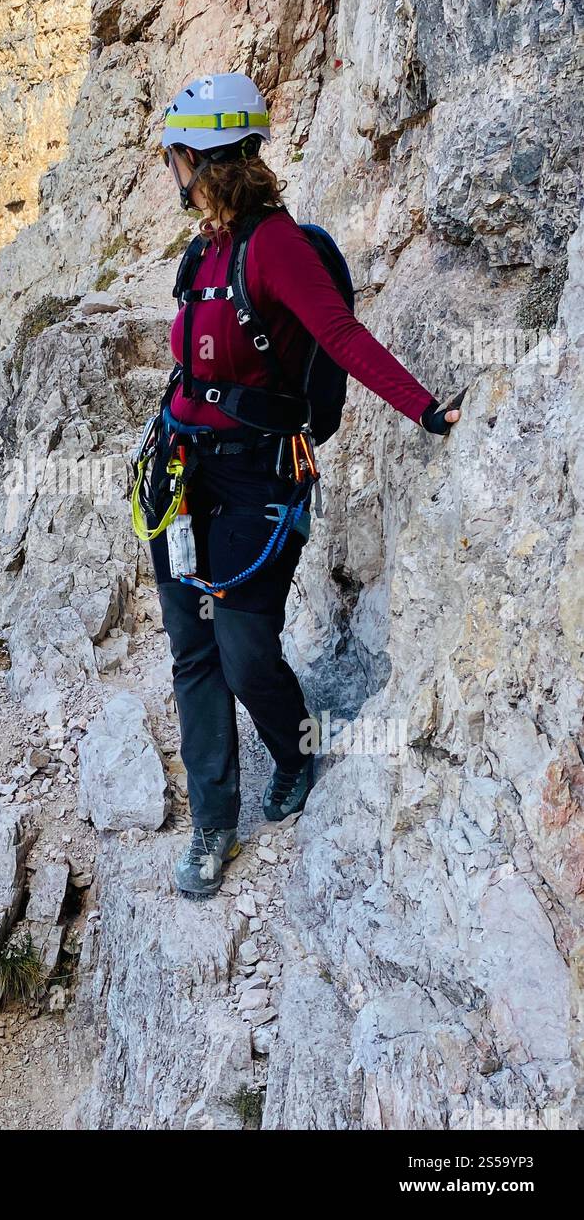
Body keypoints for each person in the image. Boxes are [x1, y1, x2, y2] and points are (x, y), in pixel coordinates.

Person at [151, 72, 462, 898]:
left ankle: (292, 750)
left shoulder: (276, 245)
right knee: (193, 651)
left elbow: (340, 336)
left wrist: (425, 410)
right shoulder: (203, 249)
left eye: (174, 157)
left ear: (196, 157)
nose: (171, 173)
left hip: (258, 478)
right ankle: (213, 825)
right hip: (183, 473)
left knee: (245, 651)